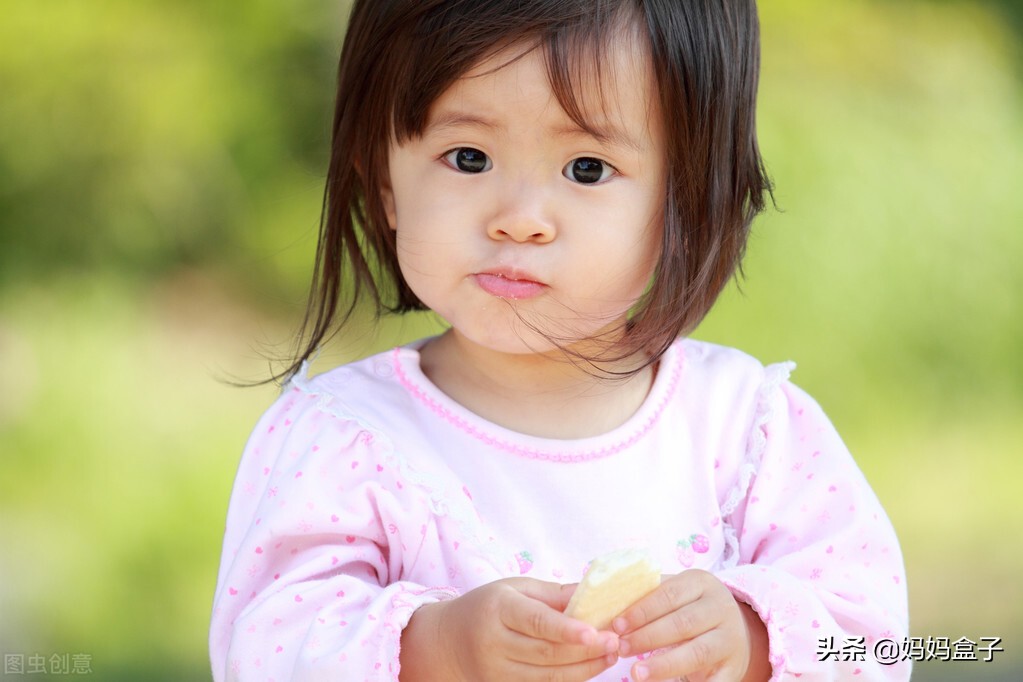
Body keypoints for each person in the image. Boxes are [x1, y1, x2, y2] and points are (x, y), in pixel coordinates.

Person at [209, 1, 910, 680]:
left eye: (586, 169)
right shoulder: (343, 444)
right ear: (386, 182)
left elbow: (874, 643)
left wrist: (751, 640)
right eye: (468, 157)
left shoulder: (747, 432)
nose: (519, 220)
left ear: (684, 199)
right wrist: (438, 649)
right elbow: (266, 651)